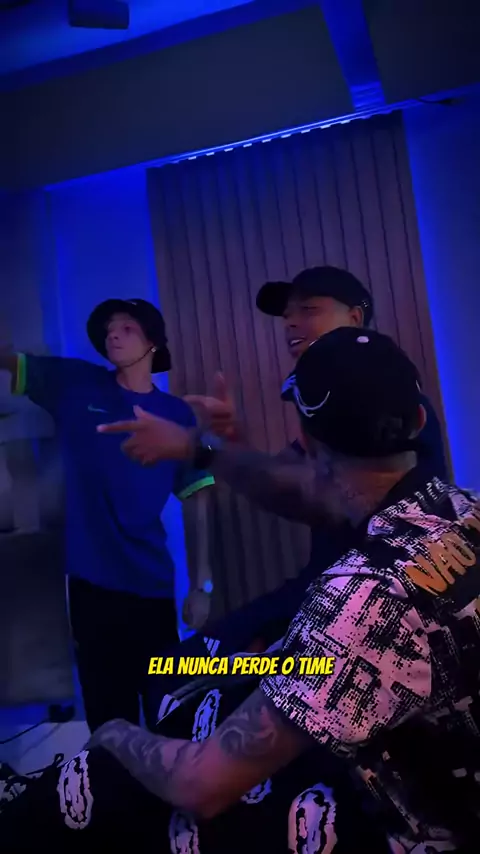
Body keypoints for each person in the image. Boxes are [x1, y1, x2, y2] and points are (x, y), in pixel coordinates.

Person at [2, 327, 479, 853]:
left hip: (400, 806)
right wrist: (199, 447)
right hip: (353, 687)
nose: (294, 323)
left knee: (118, 773)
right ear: (417, 422)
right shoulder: (463, 509)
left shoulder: (361, 594)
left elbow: (200, 785)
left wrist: (113, 734)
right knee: (175, 671)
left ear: (308, 443)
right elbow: (301, 492)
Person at [0, 298, 214, 733]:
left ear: (153, 342)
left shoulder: (177, 414)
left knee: (168, 709)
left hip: (151, 584)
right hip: (90, 584)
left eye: (127, 328)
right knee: (108, 717)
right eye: (109, 329)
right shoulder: (76, 384)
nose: (113, 334)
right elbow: (11, 360)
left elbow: (198, 498)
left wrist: (201, 585)